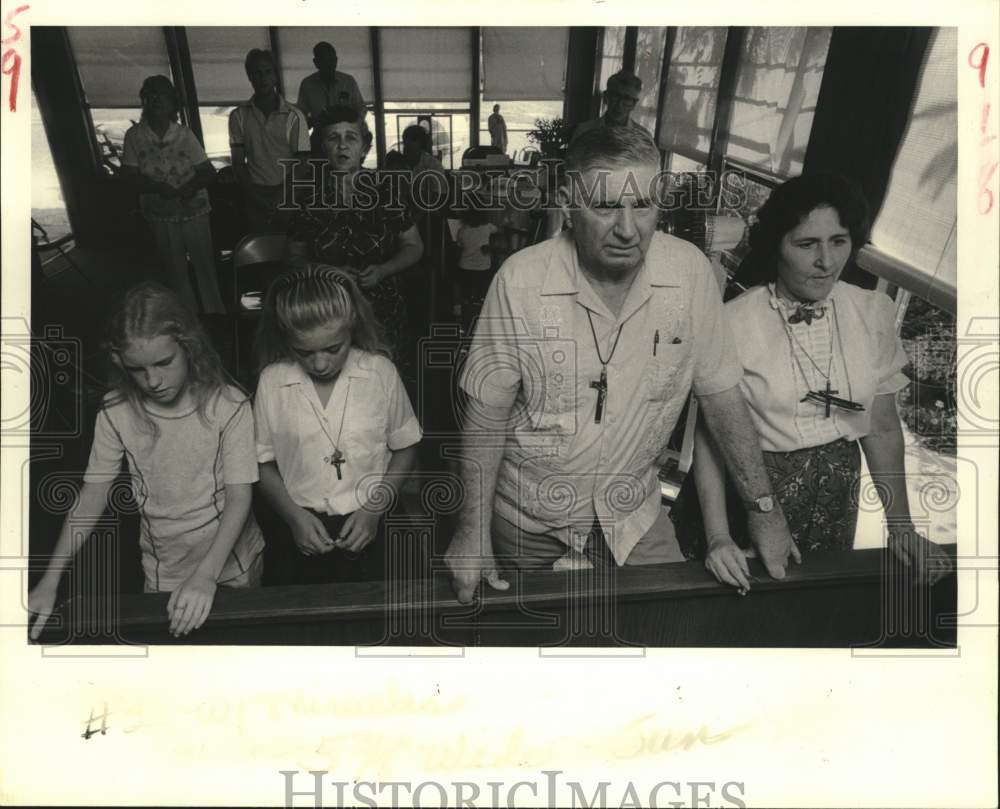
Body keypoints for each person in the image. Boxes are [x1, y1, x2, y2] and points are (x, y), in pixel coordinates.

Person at [443, 126, 799, 603]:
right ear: (569, 203)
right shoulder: (521, 281)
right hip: (528, 520)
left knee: (669, 635)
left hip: (634, 517)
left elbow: (721, 396)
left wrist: (764, 511)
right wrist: (471, 534)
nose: (629, 230)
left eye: (644, 206)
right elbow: (487, 414)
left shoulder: (691, 273)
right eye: (607, 206)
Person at [673, 173, 952, 590]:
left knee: (806, 614)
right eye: (807, 245)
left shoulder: (872, 313)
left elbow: (881, 426)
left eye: (838, 241)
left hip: (832, 498)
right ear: (776, 246)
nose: (827, 261)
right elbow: (712, 441)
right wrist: (718, 537)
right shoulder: (733, 322)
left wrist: (902, 528)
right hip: (745, 495)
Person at [28, 283, 263, 640]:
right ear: (120, 362)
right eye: (138, 370)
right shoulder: (115, 411)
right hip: (163, 565)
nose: (153, 381)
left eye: (164, 363)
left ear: (189, 348)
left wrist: (206, 576)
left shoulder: (229, 405)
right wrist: (50, 579)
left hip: (231, 562)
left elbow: (239, 497)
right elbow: (92, 497)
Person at [253, 267, 421, 584]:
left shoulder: (379, 372)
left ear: (352, 329)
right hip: (301, 525)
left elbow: (406, 446)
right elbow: (262, 462)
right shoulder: (272, 382)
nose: (319, 364)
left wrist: (374, 510)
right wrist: (292, 516)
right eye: (304, 352)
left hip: (374, 516)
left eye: (333, 349)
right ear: (285, 339)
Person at [287, 105, 423, 364]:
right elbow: (293, 257)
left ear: (364, 148)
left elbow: (413, 246)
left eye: (351, 137)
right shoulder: (308, 197)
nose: (342, 146)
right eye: (332, 138)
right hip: (327, 307)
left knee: (380, 375)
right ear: (322, 148)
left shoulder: (387, 191)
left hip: (381, 306)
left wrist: (383, 270)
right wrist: (327, 272)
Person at [121, 76, 226, 316]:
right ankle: (186, 319)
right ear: (144, 101)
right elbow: (127, 175)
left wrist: (188, 188)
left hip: (194, 207)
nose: (157, 100)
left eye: (163, 95)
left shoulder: (184, 134)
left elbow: (207, 171)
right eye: (151, 95)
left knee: (204, 266)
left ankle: (215, 315)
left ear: (173, 102)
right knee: (174, 269)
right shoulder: (134, 136)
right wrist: (156, 187)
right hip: (160, 212)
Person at [229, 49, 310, 233]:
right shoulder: (238, 116)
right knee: (260, 252)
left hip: (289, 193)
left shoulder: (294, 116)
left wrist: (283, 195)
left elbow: (303, 163)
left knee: (291, 251)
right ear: (249, 76)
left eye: (267, 72)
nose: (263, 78)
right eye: (257, 73)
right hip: (255, 195)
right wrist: (256, 197)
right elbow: (238, 163)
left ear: (275, 76)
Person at [571, 69, 652, 143]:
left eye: (627, 99)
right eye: (615, 96)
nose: (619, 104)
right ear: (606, 97)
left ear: (634, 104)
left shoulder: (643, 137)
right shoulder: (584, 131)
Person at [296, 41, 366, 127]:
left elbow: (361, 109)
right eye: (323, 61)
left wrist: (353, 128)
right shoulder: (307, 84)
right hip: (322, 134)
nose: (328, 64)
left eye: (331, 60)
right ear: (316, 62)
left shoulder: (348, 81)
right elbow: (300, 115)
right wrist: (314, 122)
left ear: (336, 61)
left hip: (349, 130)